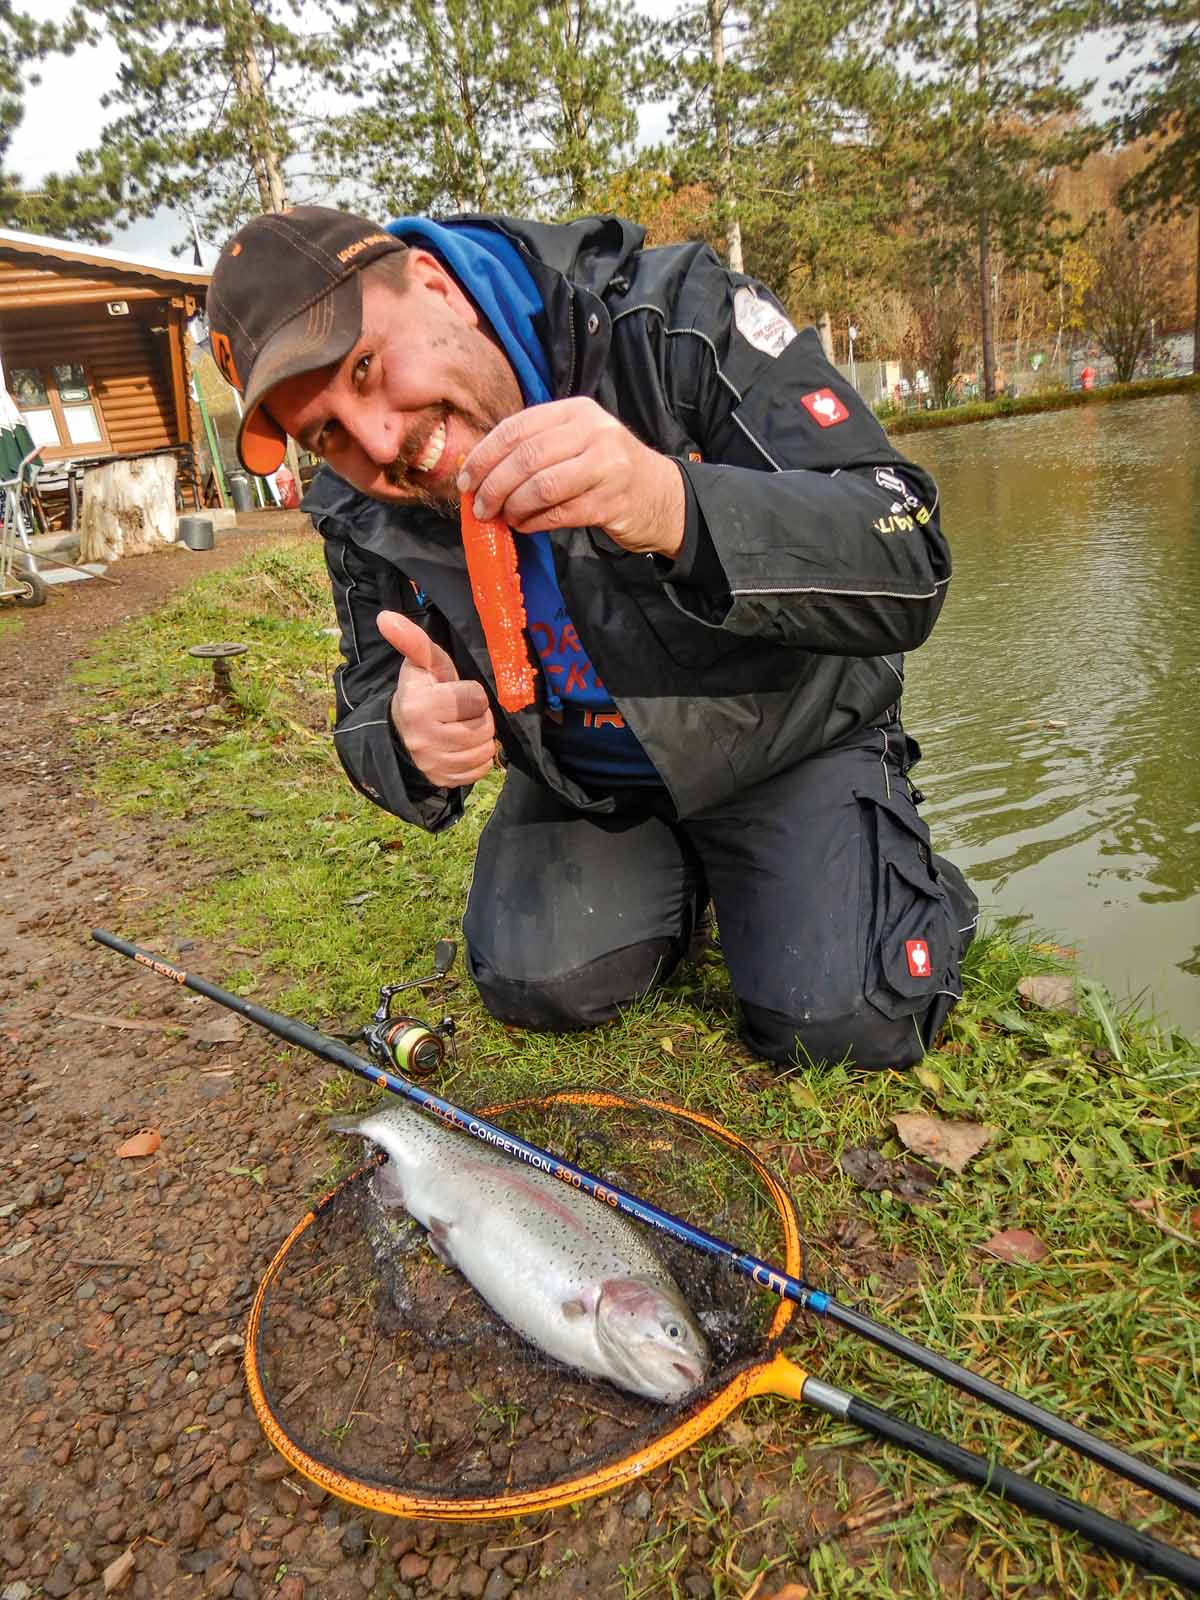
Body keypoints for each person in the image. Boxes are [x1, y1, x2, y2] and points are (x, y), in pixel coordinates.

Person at [207, 206, 977, 1071]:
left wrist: (672, 503)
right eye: (328, 435)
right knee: (533, 980)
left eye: (366, 367)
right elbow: (369, 691)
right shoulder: (358, 508)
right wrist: (405, 736)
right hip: (592, 782)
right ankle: (693, 875)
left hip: (783, 737)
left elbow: (907, 547)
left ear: (433, 285)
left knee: (850, 1019)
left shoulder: (671, 315)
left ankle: (884, 868)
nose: (383, 440)